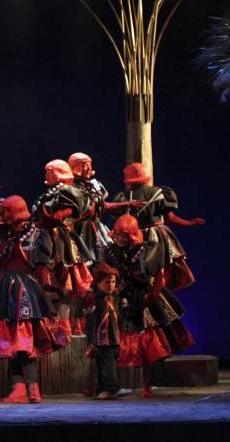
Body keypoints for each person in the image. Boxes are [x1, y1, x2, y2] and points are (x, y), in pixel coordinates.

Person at [0, 196, 65, 404]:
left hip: (26, 290)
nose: (3, 215)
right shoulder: (0, 235)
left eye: (6, 211)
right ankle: (18, 388)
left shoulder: (37, 234)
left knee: (24, 343)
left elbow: (42, 266)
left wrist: (50, 293)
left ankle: (32, 387)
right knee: (11, 343)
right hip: (3, 291)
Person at [102, 215, 194, 398]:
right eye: (117, 235)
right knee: (109, 340)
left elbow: (158, 279)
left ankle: (147, 383)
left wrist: (148, 300)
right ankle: (106, 384)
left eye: (123, 236)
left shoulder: (149, 250)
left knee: (149, 343)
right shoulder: (110, 251)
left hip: (146, 296)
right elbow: (109, 275)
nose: (119, 238)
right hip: (122, 296)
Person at [111, 162, 202, 291]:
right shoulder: (158, 193)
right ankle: (159, 290)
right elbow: (172, 218)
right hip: (157, 236)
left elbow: (118, 218)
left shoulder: (123, 197)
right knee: (161, 268)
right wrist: (190, 222)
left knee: (132, 268)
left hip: (132, 236)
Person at [31, 159, 92, 340]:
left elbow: (73, 208)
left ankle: (65, 327)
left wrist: (61, 214)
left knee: (64, 282)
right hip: (45, 236)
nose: (46, 175)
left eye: (50, 172)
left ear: (59, 172)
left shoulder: (66, 190)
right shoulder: (51, 192)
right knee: (51, 283)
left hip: (60, 239)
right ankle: (55, 325)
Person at [84, 262, 131, 399]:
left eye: (113, 282)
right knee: (108, 364)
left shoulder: (113, 299)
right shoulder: (94, 300)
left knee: (104, 364)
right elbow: (90, 322)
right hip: (102, 339)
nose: (111, 285)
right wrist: (90, 341)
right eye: (107, 282)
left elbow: (117, 319)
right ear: (98, 283)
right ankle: (113, 388)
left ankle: (101, 390)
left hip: (113, 337)